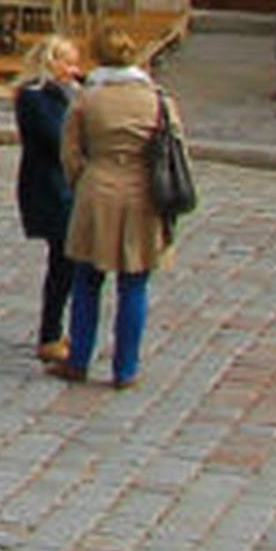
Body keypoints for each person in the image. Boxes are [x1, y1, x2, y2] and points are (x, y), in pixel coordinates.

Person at [55, 28, 178, 389]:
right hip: (144, 193)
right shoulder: (157, 99)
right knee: (135, 284)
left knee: (87, 280)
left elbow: (70, 153)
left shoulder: (87, 100)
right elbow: (177, 148)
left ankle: (78, 360)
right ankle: (125, 370)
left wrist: (84, 181)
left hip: (98, 191)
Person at [11, 33, 88, 368]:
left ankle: (63, 330)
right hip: (51, 187)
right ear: (51, 62)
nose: (74, 70)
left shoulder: (75, 92)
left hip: (73, 186)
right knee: (62, 263)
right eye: (67, 62)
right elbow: (56, 140)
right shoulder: (34, 97)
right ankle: (50, 333)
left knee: (70, 263)